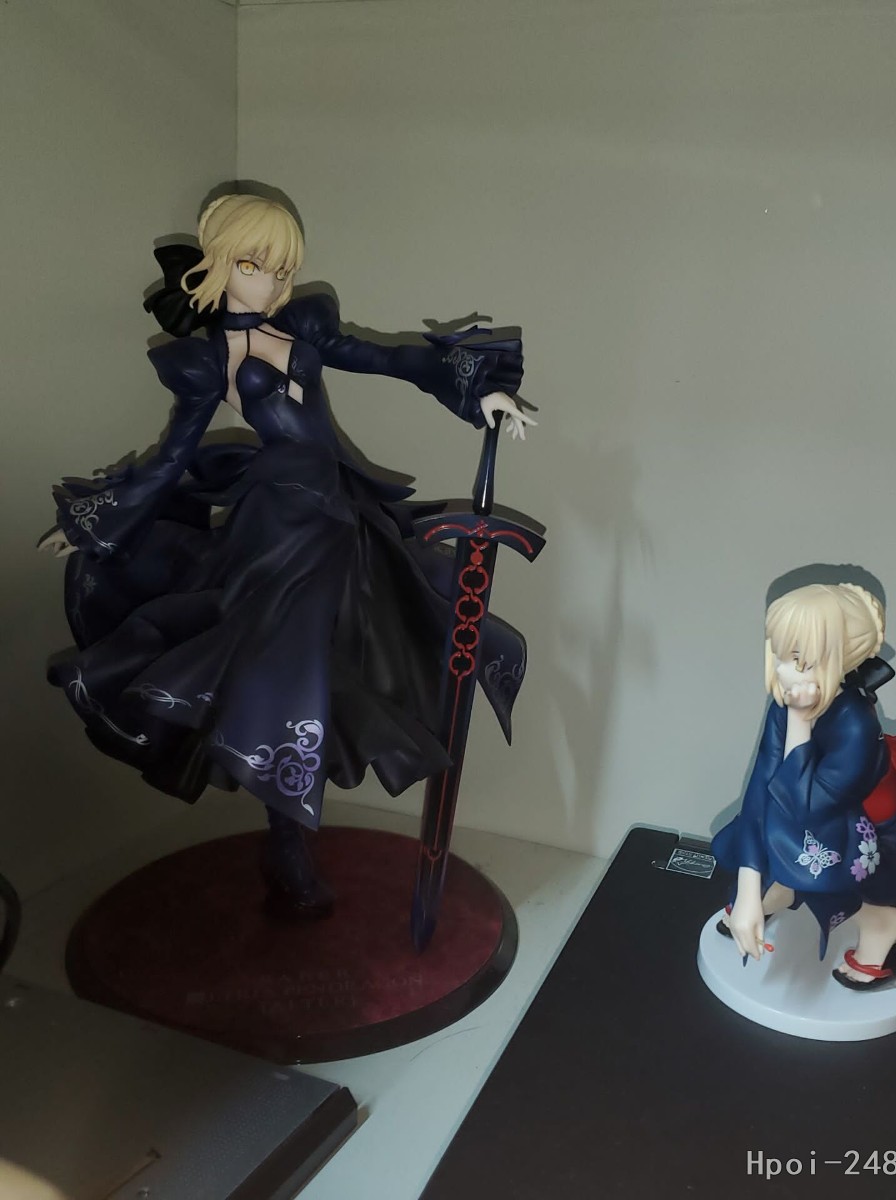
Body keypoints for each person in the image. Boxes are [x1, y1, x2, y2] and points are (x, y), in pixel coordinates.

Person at [38, 191, 534, 918]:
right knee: (283, 668)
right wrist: (95, 521)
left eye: (282, 268)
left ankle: (289, 839)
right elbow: (171, 458)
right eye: (253, 265)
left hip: (341, 512)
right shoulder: (207, 360)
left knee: (358, 652)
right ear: (217, 264)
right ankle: (288, 841)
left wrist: (479, 396)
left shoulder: (304, 327)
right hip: (276, 527)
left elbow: (388, 357)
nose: (271, 281)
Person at [711, 583, 896, 990]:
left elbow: (805, 810)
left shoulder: (856, 724)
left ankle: (879, 921)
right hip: (804, 818)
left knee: (808, 853)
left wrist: (800, 724)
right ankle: (776, 888)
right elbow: (762, 788)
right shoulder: (787, 702)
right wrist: (747, 888)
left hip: (858, 836)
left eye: (799, 660)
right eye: (780, 654)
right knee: (757, 821)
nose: (782, 671)